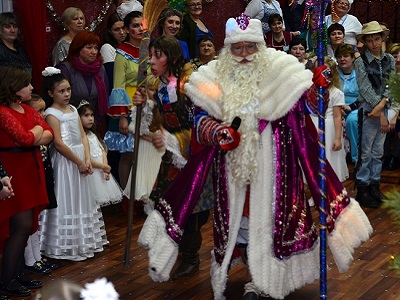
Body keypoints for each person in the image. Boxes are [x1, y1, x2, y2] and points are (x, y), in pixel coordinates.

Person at [138, 14, 372, 300]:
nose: (244, 54)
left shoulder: (282, 72)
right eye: (237, 48)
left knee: (272, 222)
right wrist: (216, 132)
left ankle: (263, 281)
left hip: (277, 165)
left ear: (261, 47)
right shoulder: (213, 78)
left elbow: (307, 107)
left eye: (250, 47)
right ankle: (253, 275)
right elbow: (200, 117)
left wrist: (317, 88)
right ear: (228, 49)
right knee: (242, 226)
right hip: (232, 168)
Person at [39, 67, 108, 261]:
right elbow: (59, 143)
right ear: (51, 93)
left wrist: (87, 159)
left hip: (80, 160)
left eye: (68, 89)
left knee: (82, 199)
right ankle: (64, 244)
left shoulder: (73, 109)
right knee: (66, 197)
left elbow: (83, 137)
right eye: (62, 91)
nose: (67, 94)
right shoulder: (52, 113)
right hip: (66, 162)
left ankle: (83, 241)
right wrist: (78, 161)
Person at [0, 67, 53, 298]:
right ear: (13, 87)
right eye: (27, 84)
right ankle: (7, 279)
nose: (32, 88)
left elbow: (49, 133)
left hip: (29, 169)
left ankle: (17, 273)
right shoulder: (2, 112)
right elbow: (24, 139)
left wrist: (37, 131)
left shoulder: (26, 109)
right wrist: (38, 130)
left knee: (24, 225)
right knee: (20, 225)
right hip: (14, 170)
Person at [354, 21, 395, 207]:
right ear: (365, 42)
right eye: (369, 41)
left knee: (378, 151)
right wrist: (378, 111)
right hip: (368, 110)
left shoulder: (390, 59)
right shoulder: (360, 61)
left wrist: (383, 105)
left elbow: (390, 84)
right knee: (366, 151)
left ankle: (374, 185)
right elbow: (364, 87)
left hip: (382, 108)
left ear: (383, 39)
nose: (374, 44)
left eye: (377, 39)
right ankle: (362, 187)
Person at [104, 11, 143, 192]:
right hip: (129, 108)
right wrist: (122, 117)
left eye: (142, 24)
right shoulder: (122, 53)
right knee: (128, 154)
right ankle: (127, 196)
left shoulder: (149, 49)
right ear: (127, 30)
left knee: (144, 154)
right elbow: (118, 85)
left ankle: (141, 194)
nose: (140, 28)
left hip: (148, 106)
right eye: (135, 25)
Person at [23, 95, 58, 276]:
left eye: (44, 110)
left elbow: (49, 136)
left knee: (35, 218)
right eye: (39, 111)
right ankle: (30, 259)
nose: (43, 115)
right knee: (27, 221)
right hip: (29, 177)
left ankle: (37, 256)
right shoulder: (27, 129)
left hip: (42, 175)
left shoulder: (39, 129)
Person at [123, 74, 163, 215]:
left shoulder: (165, 107)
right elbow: (135, 127)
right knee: (146, 178)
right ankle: (149, 207)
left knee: (158, 177)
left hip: (159, 150)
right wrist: (150, 137)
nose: (155, 93)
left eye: (158, 89)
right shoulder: (143, 107)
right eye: (152, 89)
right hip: (146, 149)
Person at [77, 100, 123, 207]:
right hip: (91, 172)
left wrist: (105, 168)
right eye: (86, 115)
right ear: (78, 118)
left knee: (98, 203)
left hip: (101, 172)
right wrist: (103, 166)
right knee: (89, 201)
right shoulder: (80, 137)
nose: (90, 118)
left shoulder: (93, 134)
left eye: (92, 115)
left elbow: (102, 152)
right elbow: (84, 158)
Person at [310, 57, 349, 181]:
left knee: (329, 159)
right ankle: (316, 193)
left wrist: (337, 138)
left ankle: (330, 192)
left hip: (329, 130)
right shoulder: (310, 91)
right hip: (312, 126)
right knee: (314, 160)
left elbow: (337, 116)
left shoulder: (336, 93)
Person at [57, 30, 109, 121]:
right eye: (89, 48)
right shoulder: (66, 69)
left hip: (94, 121)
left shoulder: (100, 69)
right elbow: (58, 100)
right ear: (78, 49)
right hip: (69, 120)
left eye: (96, 48)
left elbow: (106, 96)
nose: (94, 52)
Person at [335, 43, 360, 164]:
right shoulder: (333, 72)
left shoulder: (360, 72)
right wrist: (337, 107)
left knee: (352, 121)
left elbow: (364, 95)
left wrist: (351, 106)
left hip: (357, 106)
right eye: (339, 56)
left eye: (346, 56)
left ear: (353, 57)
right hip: (336, 106)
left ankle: (356, 159)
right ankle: (334, 159)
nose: (342, 59)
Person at [382, 43, 400, 170]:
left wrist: (396, 117)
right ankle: (385, 155)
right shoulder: (385, 73)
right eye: (394, 56)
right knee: (382, 120)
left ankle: (395, 156)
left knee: (397, 123)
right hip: (387, 106)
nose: (397, 59)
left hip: (399, 110)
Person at [100, 12, 127, 93]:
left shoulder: (128, 46)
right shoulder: (107, 48)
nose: (122, 32)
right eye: (117, 30)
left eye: (123, 28)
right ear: (110, 31)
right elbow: (112, 79)